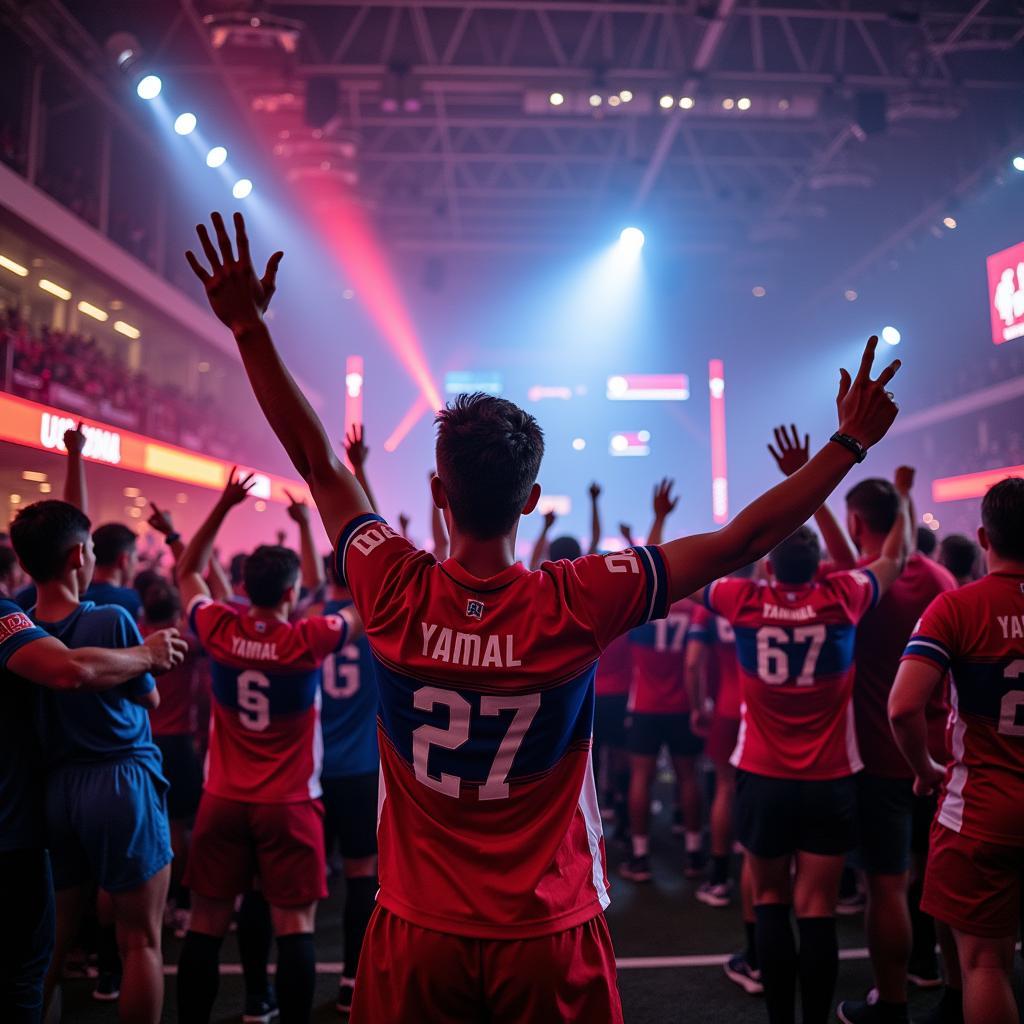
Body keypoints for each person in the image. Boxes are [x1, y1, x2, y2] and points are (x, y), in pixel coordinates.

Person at [185, 210, 901, 1022]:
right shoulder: (577, 599)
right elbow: (747, 538)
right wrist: (846, 444)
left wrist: (248, 327)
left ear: (436, 491)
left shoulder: (389, 586)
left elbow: (316, 460)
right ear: (532, 499)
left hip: (416, 927)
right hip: (547, 930)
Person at [703, 512, 907, 1024]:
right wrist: (900, 499)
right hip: (830, 779)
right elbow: (893, 559)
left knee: (769, 898)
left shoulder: (743, 599)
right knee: (816, 907)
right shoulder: (842, 598)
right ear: (818, 567)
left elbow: (691, 578)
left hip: (762, 775)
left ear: (769, 569)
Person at [173, 471, 360, 1024]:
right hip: (289, 803)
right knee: (294, 925)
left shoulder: (219, 629)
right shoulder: (308, 638)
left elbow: (187, 572)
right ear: (290, 593)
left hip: (223, 799)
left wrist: (224, 506)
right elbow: (367, 603)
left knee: (207, 921)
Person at [9, 500, 182, 1024]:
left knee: (50, 946)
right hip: (120, 781)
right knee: (140, 944)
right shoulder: (111, 618)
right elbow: (148, 699)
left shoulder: (21, 622)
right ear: (78, 556)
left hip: (56, 791)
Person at [889, 477, 1024, 1024]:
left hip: (982, 811)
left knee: (986, 963)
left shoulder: (958, 607)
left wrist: (923, 770)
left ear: (984, 535)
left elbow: (903, 707)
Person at [837, 473, 956, 1024]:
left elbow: (846, 569)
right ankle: (949, 983)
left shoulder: (859, 584)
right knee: (946, 881)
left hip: (883, 755)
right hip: (945, 754)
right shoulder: (943, 580)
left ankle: (892, 1001)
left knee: (885, 885)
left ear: (857, 522)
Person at [621, 479, 704, 881]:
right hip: (683, 705)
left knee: (642, 777)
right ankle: (693, 851)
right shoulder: (694, 609)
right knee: (688, 776)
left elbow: (643, 566)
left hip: (646, 705)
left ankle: (639, 856)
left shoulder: (646, 607)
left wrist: (657, 518)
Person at [309, 557, 379, 1016]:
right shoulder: (376, 624)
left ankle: (281, 986)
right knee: (360, 878)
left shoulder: (304, 623)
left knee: (303, 888)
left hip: (310, 775)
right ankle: (353, 978)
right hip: (360, 773)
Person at [140, 578, 205, 938]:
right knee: (180, 828)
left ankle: (152, 906)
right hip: (180, 745)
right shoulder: (185, 643)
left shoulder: (134, 638)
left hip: (144, 743)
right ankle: (178, 905)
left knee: (145, 828)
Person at [687, 563, 754, 906]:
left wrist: (699, 706)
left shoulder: (715, 605)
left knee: (725, 788)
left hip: (727, 708)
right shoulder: (764, 597)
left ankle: (719, 878)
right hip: (761, 710)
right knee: (762, 787)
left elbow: (693, 662)